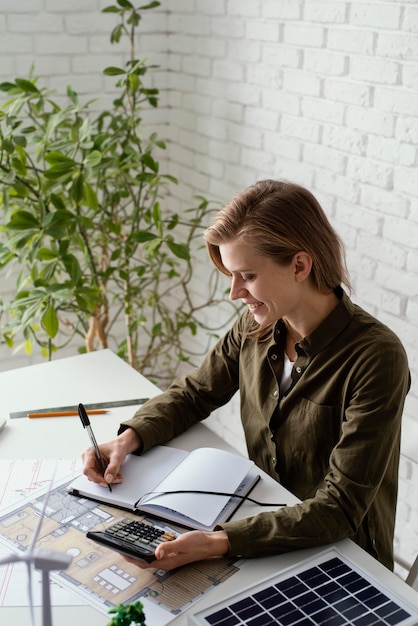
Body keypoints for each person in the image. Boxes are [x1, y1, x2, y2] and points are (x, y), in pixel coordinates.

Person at [82, 179, 410, 572]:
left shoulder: (376, 357)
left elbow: (339, 508)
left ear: (300, 266)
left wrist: (220, 542)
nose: (235, 292)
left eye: (248, 276)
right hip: (258, 528)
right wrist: (128, 438)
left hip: (343, 557)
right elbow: (196, 393)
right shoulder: (255, 327)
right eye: (232, 275)